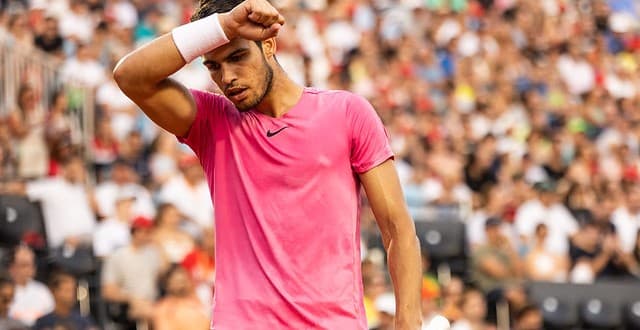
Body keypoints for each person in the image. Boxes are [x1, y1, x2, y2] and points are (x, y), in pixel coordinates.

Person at [113, 0, 422, 328]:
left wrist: (408, 322)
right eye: (214, 66)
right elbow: (130, 76)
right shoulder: (212, 121)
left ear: (269, 45)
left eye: (237, 56)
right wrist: (225, 27)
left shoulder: (347, 112)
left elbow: (397, 229)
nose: (227, 77)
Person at [101, 216, 166, 328]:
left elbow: (164, 276)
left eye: (150, 232)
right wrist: (132, 299)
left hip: (152, 303)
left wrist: (159, 245)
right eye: (146, 232)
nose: (148, 235)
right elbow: (108, 291)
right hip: (126, 306)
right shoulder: (118, 256)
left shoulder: (153, 253)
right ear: (136, 232)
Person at [7, 245, 54, 326]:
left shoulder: (42, 290)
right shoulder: (4, 291)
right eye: (24, 265)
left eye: (32, 264)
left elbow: (51, 318)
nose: (30, 268)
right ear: (12, 267)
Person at [33, 271, 98, 330]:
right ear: (54, 291)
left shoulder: (84, 319)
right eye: (67, 291)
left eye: (73, 290)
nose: (71, 295)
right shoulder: (44, 322)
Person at [152, 265, 210, 330]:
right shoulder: (165, 309)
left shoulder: (199, 300)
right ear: (167, 285)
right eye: (178, 281)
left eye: (184, 280)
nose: (182, 284)